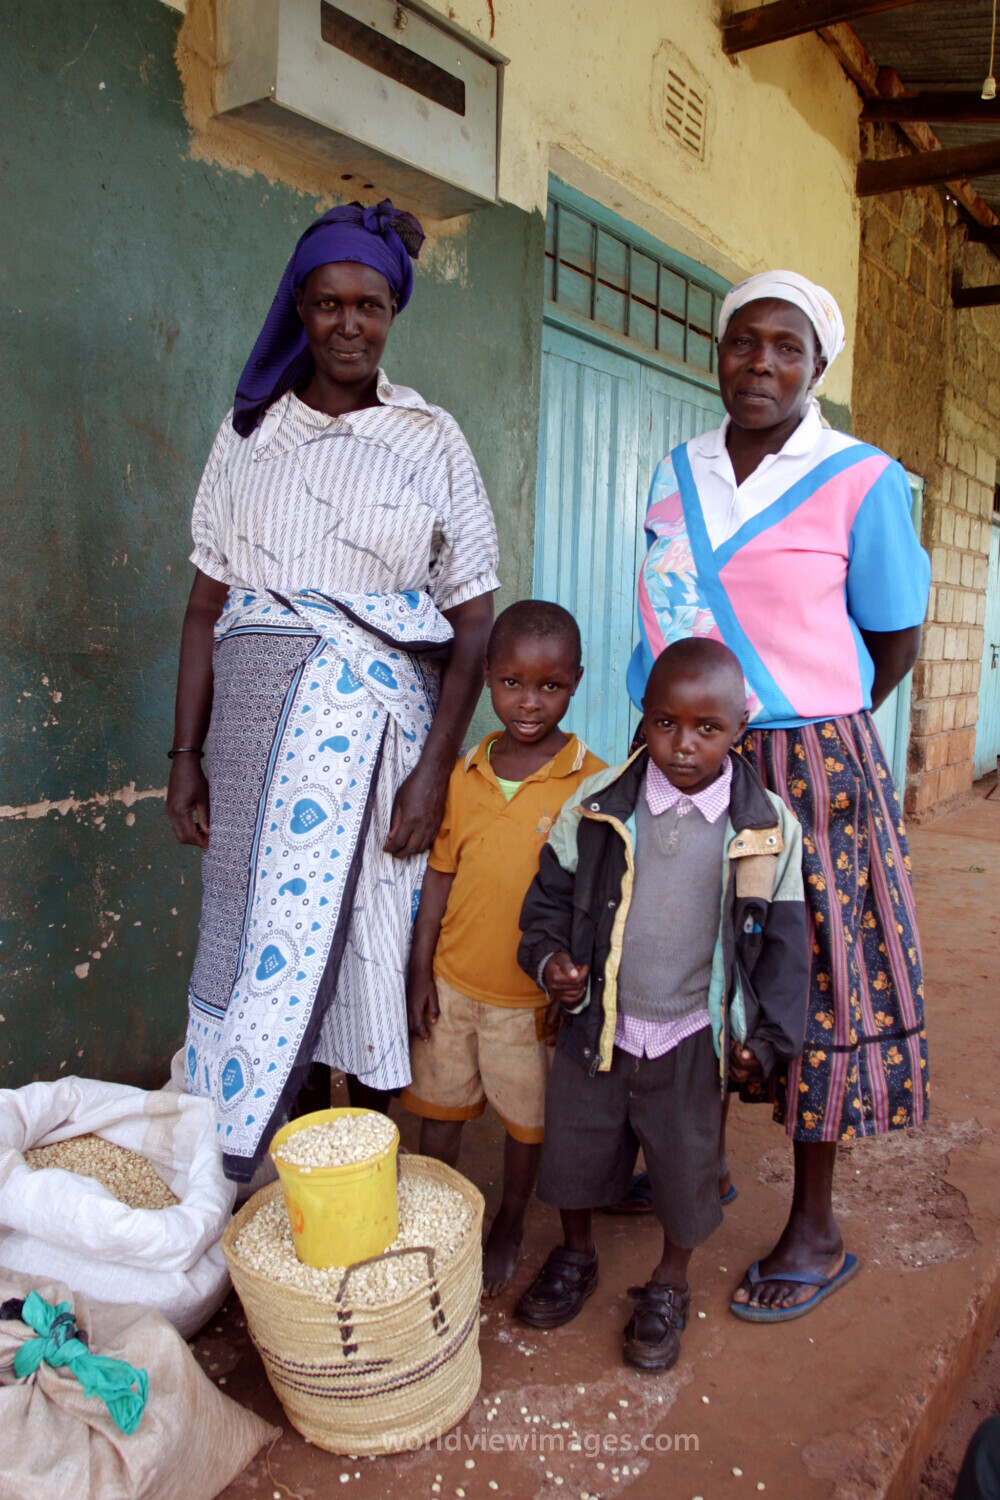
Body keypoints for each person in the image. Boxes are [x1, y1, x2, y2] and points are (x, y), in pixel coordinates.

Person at [166, 200, 499, 1182]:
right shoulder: (249, 436)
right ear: (299, 311)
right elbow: (201, 607)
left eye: (368, 304)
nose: (348, 325)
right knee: (257, 944)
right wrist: (183, 757)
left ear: (391, 311)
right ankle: (279, 1178)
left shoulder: (430, 438)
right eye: (326, 305)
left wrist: (435, 771)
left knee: (370, 947)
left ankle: (367, 1179)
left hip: (379, 738)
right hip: (251, 730)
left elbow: (473, 617)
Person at [627, 269, 931, 1320]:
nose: (759, 363)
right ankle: (690, 1161)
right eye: (742, 342)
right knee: (674, 955)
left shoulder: (861, 476)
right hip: (683, 753)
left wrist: (809, 716)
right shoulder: (679, 471)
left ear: (817, 365)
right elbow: (662, 621)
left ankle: (814, 1224)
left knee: (821, 975)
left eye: (786, 348)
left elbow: (891, 634)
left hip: (812, 768)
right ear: (718, 351)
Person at [514, 638, 809, 1369]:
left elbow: (785, 950)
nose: (683, 746)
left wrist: (763, 1041)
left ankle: (669, 1281)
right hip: (599, 1025)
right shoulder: (596, 808)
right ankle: (576, 1253)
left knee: (685, 1169)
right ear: (643, 720)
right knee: (577, 1151)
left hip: (691, 1034)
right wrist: (550, 962)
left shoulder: (767, 828)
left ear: (742, 725)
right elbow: (544, 907)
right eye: (665, 725)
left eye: (707, 729)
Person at [402, 600, 605, 1296]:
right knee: (438, 1110)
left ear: (575, 682)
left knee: (527, 1122)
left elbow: (594, 901)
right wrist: (420, 971)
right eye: (513, 682)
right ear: (487, 676)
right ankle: (442, 1217)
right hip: (453, 984)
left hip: (530, 1001)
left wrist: (569, 988)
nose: (529, 702)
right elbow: (439, 875)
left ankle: (510, 1223)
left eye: (550, 686)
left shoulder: (591, 784)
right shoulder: (464, 773)